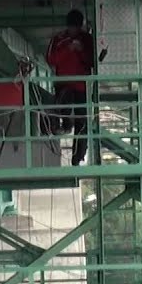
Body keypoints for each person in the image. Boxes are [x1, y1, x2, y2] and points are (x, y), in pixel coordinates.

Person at [45, 9, 96, 166]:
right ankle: (64, 125)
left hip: (81, 87)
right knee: (60, 107)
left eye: (76, 27)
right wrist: (68, 50)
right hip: (64, 85)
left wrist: (80, 51)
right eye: (72, 27)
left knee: (83, 124)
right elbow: (51, 59)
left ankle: (77, 158)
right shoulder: (59, 39)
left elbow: (94, 61)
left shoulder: (87, 40)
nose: (74, 30)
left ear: (80, 27)